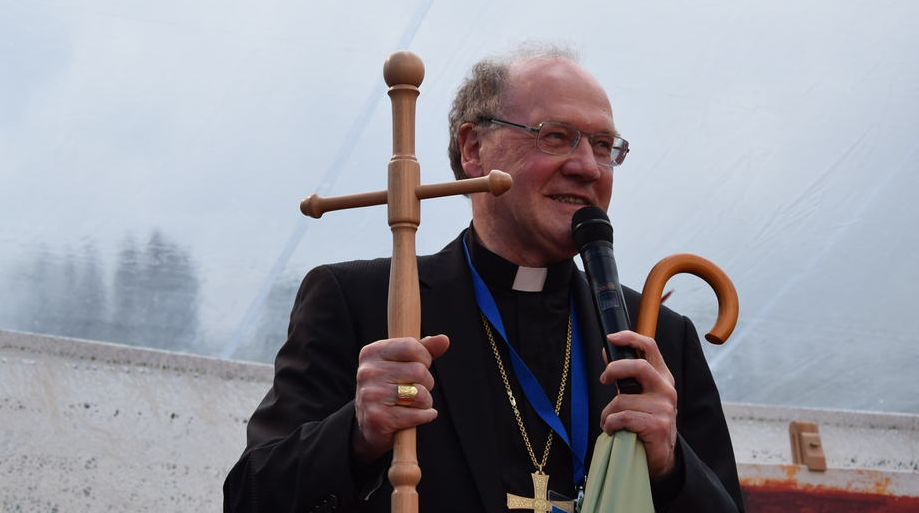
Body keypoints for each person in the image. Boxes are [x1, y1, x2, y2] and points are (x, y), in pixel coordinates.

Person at [224, 46, 744, 512]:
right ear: (473, 148)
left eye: (605, 145)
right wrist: (356, 435)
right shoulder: (359, 303)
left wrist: (671, 466)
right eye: (557, 137)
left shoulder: (659, 337)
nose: (589, 167)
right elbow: (250, 497)